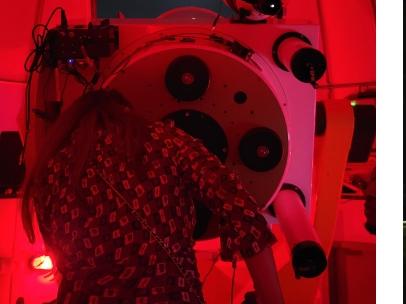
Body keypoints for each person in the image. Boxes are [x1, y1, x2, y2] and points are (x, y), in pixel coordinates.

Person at [20, 90, 283, 303]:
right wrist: (271, 298)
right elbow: (240, 209)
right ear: (126, 112)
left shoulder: (51, 167)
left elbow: (62, 255)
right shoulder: (162, 140)